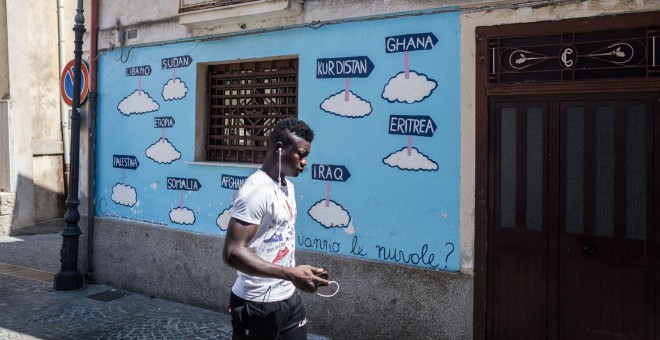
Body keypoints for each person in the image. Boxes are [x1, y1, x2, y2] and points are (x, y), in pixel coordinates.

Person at [223, 118, 330, 340]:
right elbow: (232, 253)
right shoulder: (255, 191)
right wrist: (289, 273)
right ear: (280, 149)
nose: (304, 162)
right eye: (300, 154)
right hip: (257, 303)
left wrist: (297, 271)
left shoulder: (287, 186)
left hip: (289, 298)